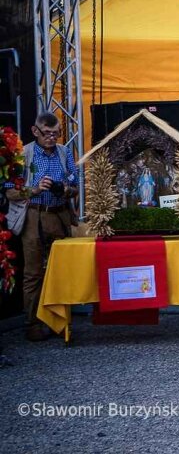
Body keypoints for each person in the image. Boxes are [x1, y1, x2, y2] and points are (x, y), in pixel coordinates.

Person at [5, 112, 78, 342]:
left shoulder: (65, 153)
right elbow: (9, 191)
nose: (52, 138)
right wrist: (34, 190)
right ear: (35, 131)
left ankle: (59, 321)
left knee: (61, 271)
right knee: (34, 273)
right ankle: (32, 323)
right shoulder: (22, 155)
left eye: (56, 134)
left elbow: (76, 185)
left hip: (60, 216)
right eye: (47, 134)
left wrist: (66, 189)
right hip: (34, 217)